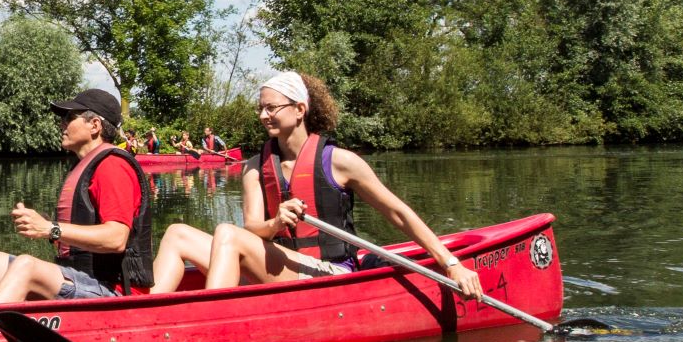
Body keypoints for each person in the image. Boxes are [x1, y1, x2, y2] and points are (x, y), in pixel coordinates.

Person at [150, 71, 484, 298]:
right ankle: (148, 311)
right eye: (260, 108)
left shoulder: (340, 161)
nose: (264, 115)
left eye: (272, 107)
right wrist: (276, 222)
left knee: (225, 232)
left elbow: (397, 213)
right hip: (283, 266)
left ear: (299, 110)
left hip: (330, 271)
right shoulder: (255, 166)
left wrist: (450, 263)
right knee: (178, 232)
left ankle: (211, 320)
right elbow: (253, 228)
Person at [0, 88, 153, 305]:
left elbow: (116, 238)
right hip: (78, 278)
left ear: (95, 125)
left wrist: (50, 228)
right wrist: (46, 228)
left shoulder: (112, 166)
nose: (62, 124)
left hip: (111, 290)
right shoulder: (86, 165)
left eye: (70, 118)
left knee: (26, 266)